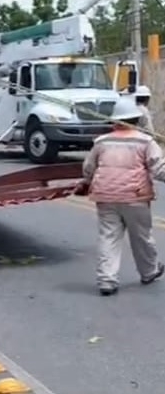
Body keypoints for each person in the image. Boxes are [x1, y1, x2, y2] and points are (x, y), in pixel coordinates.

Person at [81, 99, 165, 296]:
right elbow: (159, 169)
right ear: (136, 119)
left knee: (109, 236)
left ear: (114, 121)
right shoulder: (146, 141)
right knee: (142, 237)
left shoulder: (102, 142)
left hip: (105, 196)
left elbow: (89, 167)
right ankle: (149, 271)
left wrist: (85, 181)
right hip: (135, 197)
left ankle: (106, 280)